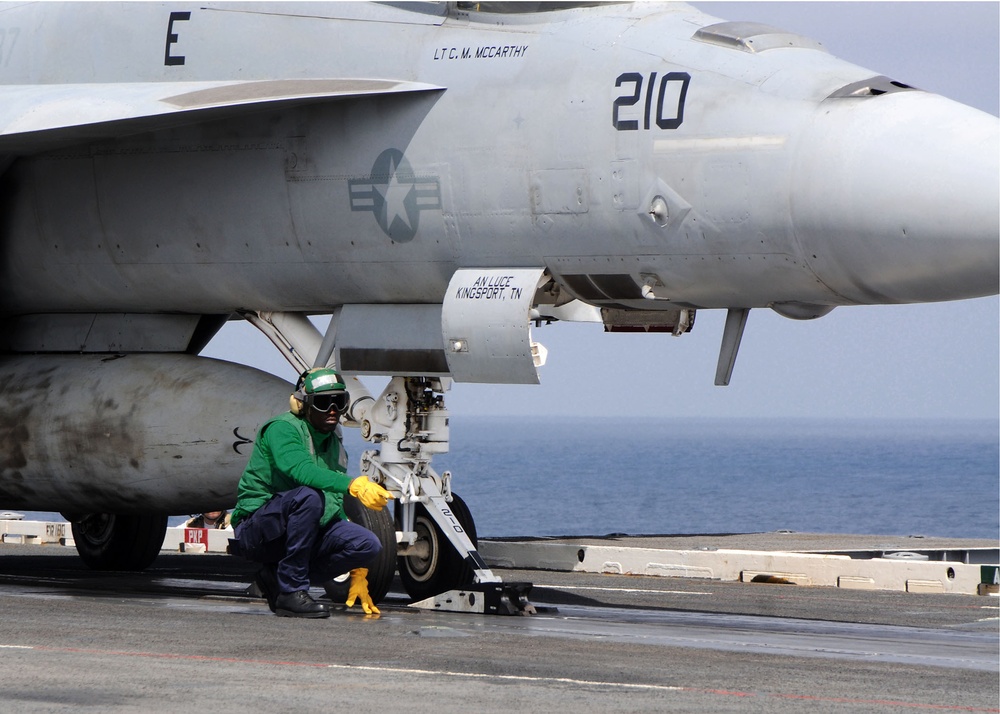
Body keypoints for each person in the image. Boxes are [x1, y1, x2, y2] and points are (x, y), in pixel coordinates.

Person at [231, 368, 393, 619]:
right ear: (302, 404)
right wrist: (354, 485)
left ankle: (277, 578)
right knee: (309, 496)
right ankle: (291, 592)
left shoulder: (333, 444)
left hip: (298, 526)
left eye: (338, 402)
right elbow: (300, 470)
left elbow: (333, 504)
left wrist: (358, 568)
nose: (331, 410)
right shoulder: (282, 429)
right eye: (322, 402)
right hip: (258, 529)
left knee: (366, 544)